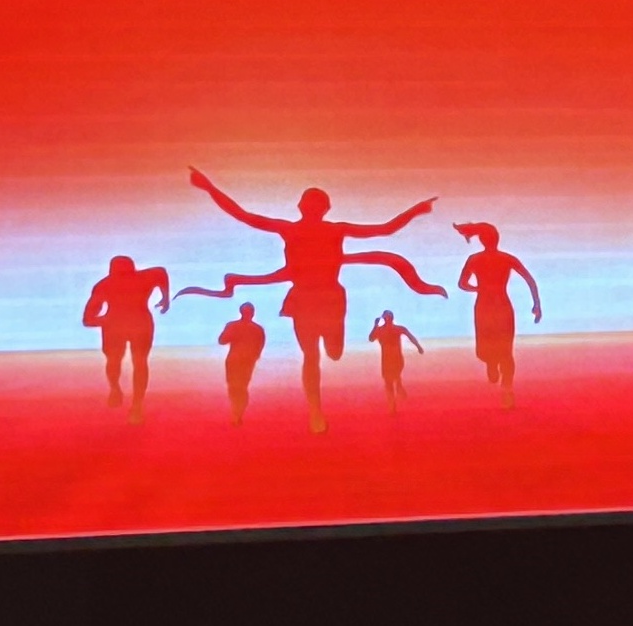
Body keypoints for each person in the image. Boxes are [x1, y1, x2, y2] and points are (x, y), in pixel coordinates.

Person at [177, 170, 446, 435]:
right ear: (305, 207)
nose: (311, 209)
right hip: (304, 299)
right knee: (311, 356)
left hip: (329, 299)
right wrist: (208, 188)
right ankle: (315, 411)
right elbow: (244, 216)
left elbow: (384, 229)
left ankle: (319, 394)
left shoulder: (332, 230)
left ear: (320, 209)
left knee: (333, 352)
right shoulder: (292, 230)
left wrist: (416, 210)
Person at [454, 221, 540, 404]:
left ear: (482, 240)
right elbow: (529, 280)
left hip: (486, 305)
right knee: (504, 350)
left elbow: (462, 284)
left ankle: (503, 383)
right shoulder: (506, 259)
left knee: (498, 349)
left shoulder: (475, 259)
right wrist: (536, 304)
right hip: (500, 305)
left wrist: (477, 289)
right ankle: (497, 371)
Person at [81, 255, 171, 420]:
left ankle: (130, 400)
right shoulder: (141, 279)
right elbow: (161, 273)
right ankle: (131, 401)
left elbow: (88, 319)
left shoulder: (105, 285)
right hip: (135, 323)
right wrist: (165, 298)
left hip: (124, 324)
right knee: (133, 362)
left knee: (125, 361)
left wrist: (105, 320)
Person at [218, 302, 266, 424]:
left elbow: (222, 340)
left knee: (236, 387)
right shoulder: (257, 329)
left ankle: (237, 412)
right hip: (242, 361)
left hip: (237, 360)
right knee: (240, 387)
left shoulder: (234, 326)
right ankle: (237, 412)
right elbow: (259, 348)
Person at [367, 311, 422, 410]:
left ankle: (397, 391)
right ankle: (392, 403)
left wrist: (418, 346)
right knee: (389, 381)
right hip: (388, 360)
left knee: (391, 379)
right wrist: (375, 326)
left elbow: (410, 337)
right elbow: (371, 338)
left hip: (395, 359)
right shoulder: (383, 330)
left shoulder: (394, 329)